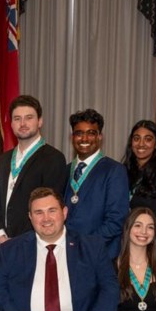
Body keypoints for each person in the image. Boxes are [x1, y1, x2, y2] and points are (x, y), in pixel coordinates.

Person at [0, 95, 68, 245]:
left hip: (35, 244)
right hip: (3, 245)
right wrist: (0, 235)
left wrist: (21, 240)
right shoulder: (2, 160)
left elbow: (49, 207)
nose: (23, 123)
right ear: (11, 124)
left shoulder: (53, 158)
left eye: (29, 118)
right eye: (17, 118)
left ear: (40, 121)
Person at [63, 108, 129, 259]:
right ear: (72, 137)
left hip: (99, 256)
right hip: (65, 256)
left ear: (100, 137)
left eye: (91, 133)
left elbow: (116, 221)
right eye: (79, 133)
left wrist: (83, 246)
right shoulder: (65, 170)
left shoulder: (114, 170)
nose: (84, 139)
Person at [123, 119, 156, 263]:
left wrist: (145, 244)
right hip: (128, 242)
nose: (141, 144)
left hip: (155, 242)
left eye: (148, 139)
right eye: (136, 138)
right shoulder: (123, 171)